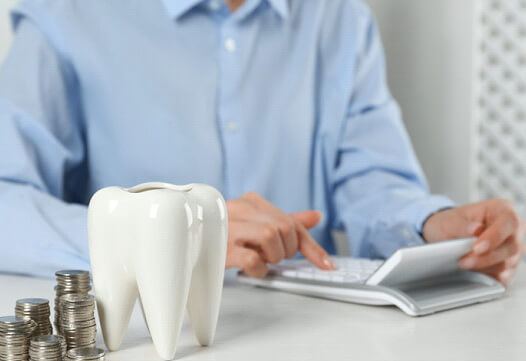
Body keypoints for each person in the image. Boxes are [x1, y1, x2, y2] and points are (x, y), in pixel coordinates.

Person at [0, 0, 523, 282]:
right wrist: (154, 236)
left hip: (313, 347)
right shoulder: (66, 14)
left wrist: (435, 226)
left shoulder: (339, 19)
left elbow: (374, 184)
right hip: (147, 351)